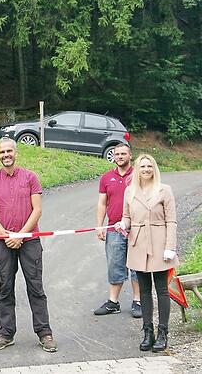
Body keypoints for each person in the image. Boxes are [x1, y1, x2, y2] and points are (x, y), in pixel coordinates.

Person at [0, 138, 56, 353]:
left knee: (36, 287)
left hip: (29, 240)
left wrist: (21, 235)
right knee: (5, 287)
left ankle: (44, 332)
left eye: (9, 151)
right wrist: (6, 235)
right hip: (3, 241)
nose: (6, 155)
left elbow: (37, 210)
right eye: (2, 152)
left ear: (16, 153)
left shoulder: (30, 177)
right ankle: (6, 333)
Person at [118, 154, 179, 352]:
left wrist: (170, 246)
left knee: (161, 290)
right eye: (142, 166)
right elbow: (126, 217)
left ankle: (163, 332)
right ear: (137, 169)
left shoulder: (165, 190)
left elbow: (171, 221)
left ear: (154, 168)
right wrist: (123, 224)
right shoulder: (130, 191)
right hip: (138, 244)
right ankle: (148, 332)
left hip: (160, 243)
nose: (146, 169)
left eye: (149, 166)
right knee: (143, 291)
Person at [94, 143, 141, 317]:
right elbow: (102, 203)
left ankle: (138, 301)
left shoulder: (138, 174)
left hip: (137, 228)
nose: (120, 157)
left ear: (130, 155)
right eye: (117, 154)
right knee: (114, 265)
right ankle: (113, 302)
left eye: (123, 154)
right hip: (114, 228)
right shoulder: (106, 177)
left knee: (137, 266)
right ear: (113, 157)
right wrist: (100, 225)